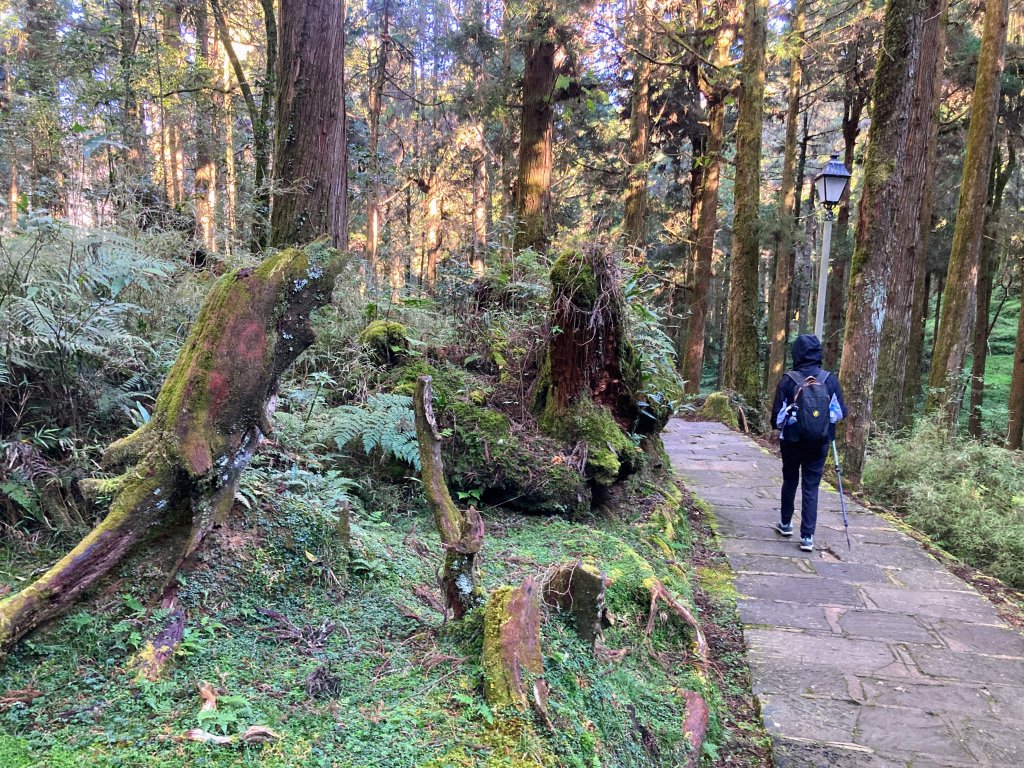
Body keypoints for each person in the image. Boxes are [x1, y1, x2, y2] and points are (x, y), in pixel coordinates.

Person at [770, 334, 847, 552]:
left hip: (792, 441)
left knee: (790, 479)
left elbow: (776, 419)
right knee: (811, 486)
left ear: (796, 353)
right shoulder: (829, 379)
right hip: (819, 442)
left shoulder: (788, 380)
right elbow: (840, 413)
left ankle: (785, 524)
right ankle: (807, 536)